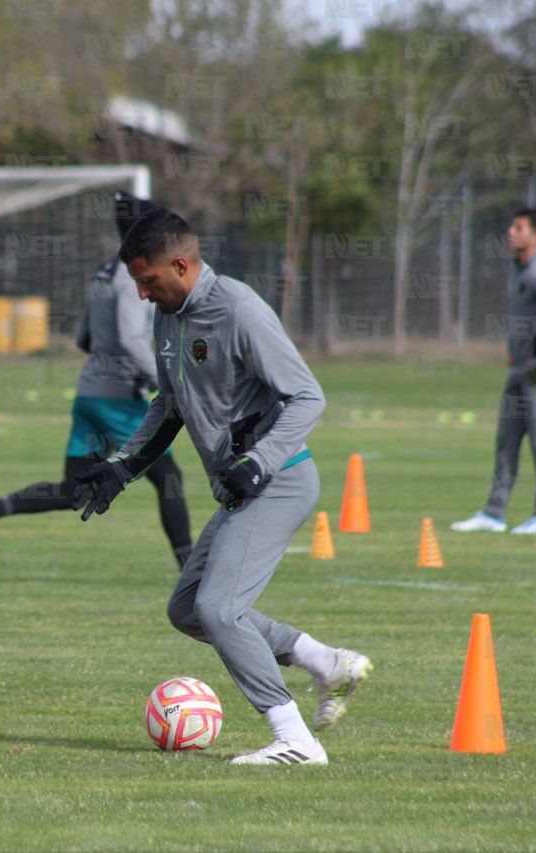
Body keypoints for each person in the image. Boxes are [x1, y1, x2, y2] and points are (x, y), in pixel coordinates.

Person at [72, 206, 370, 766]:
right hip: (242, 490)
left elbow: (308, 395)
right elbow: (169, 406)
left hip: (280, 480)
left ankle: (296, 740)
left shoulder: (238, 309)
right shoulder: (169, 316)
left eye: (147, 281)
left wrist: (257, 462)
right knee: (188, 609)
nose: (141, 295)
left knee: (219, 609)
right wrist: (120, 469)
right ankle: (325, 661)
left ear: (180, 265)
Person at [0, 192, 193, 568]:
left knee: (75, 491)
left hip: (89, 394)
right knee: (169, 476)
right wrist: (162, 378)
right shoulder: (133, 276)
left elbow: (83, 338)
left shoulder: (104, 272)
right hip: (118, 397)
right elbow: (132, 336)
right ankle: (191, 570)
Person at [452, 208, 536, 536]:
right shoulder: (517, 269)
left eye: (518, 227)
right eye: (511, 225)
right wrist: (515, 351)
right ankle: (494, 513)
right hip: (521, 369)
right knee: (506, 441)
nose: (510, 231)